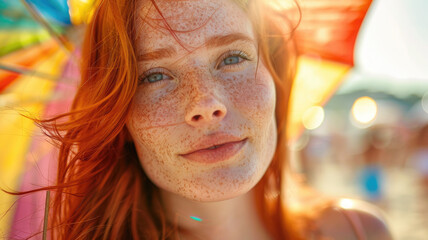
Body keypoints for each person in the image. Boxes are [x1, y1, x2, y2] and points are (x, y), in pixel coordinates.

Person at [12, 0, 393, 239]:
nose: (206, 103)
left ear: (274, 76)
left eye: (232, 58)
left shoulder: (361, 233)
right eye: (154, 75)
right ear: (120, 118)